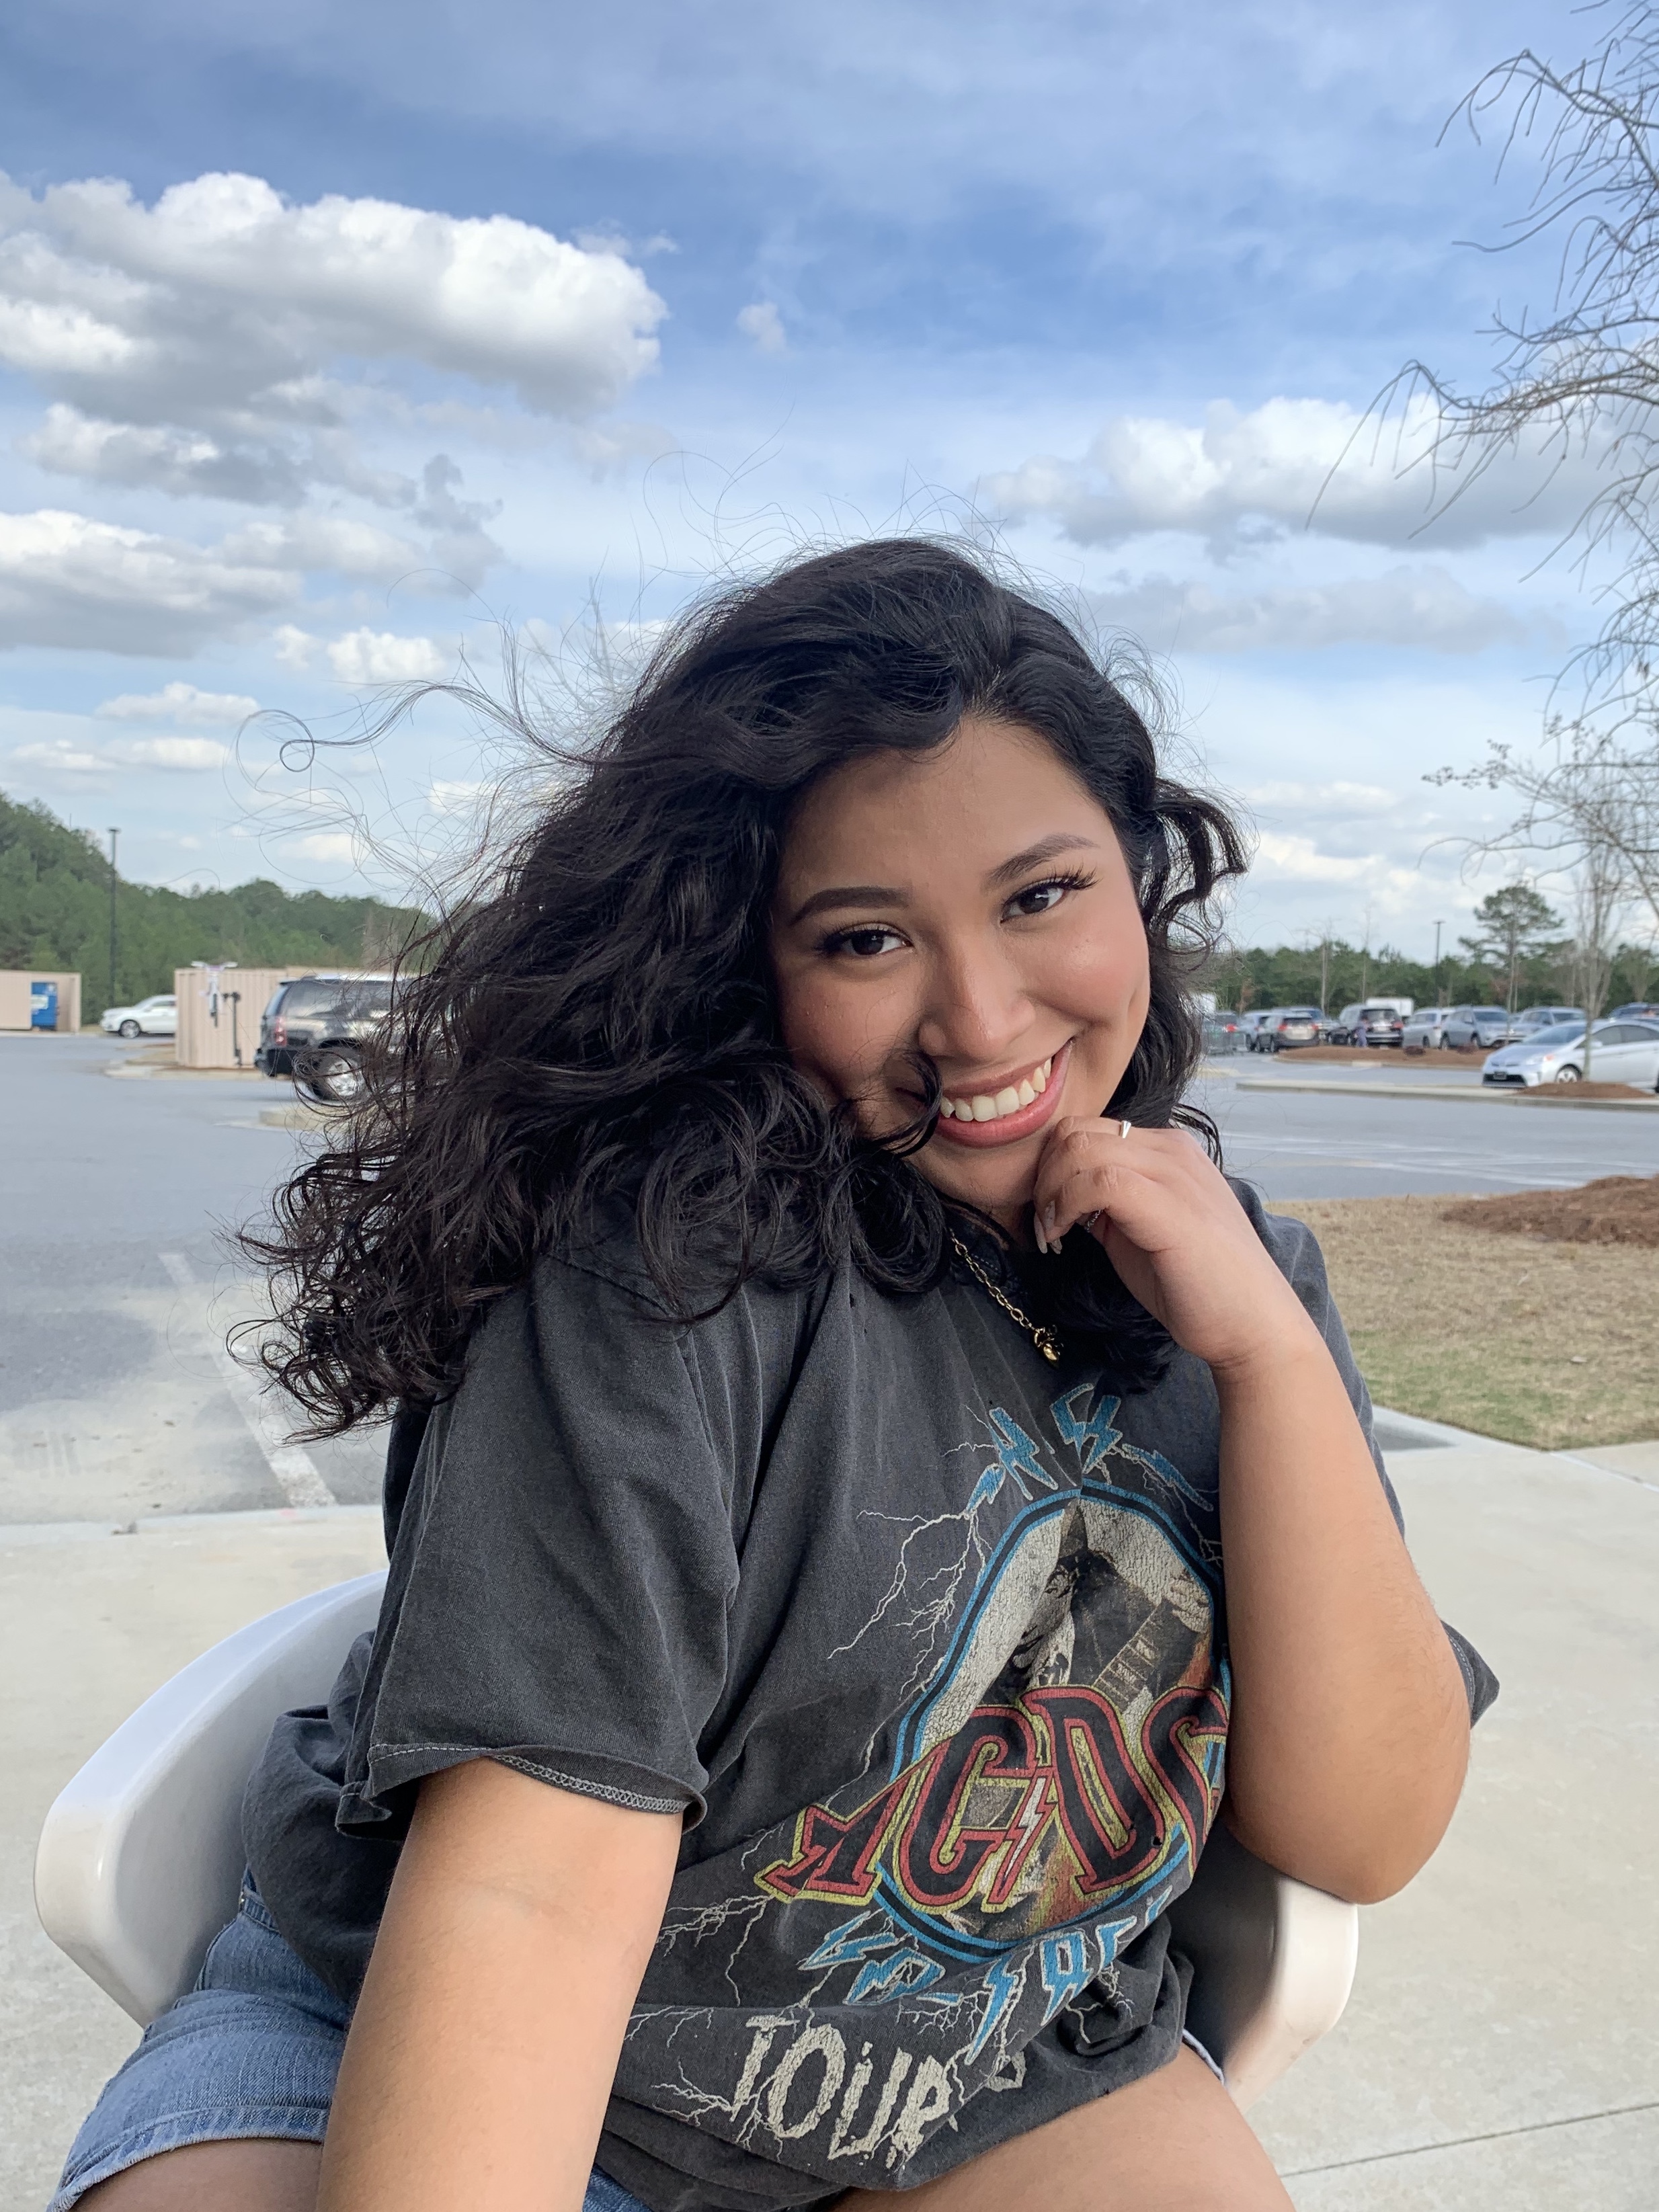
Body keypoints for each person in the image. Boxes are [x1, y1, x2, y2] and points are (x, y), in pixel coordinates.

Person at [56, 541, 1494, 2212]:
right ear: (748, 960)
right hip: (449, 2038)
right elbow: (531, 1900)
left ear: (1138, 872)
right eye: (867, 937)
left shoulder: (1235, 1280)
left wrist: (1265, 1357)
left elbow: (1361, 1831)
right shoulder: (664, 1271)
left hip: (989, 2071)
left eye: (1040, 895)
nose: (980, 1019)